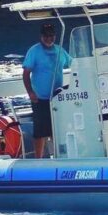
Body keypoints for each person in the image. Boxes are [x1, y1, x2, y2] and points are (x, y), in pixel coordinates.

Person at [22, 23, 72, 158]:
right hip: (40, 98)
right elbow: (26, 74)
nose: (49, 38)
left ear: (55, 36)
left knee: (57, 129)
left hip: (57, 98)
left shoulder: (60, 50)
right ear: (41, 36)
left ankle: (59, 156)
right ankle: (38, 159)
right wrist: (30, 92)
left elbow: (73, 63)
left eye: (51, 36)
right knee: (40, 131)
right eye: (46, 36)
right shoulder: (34, 51)